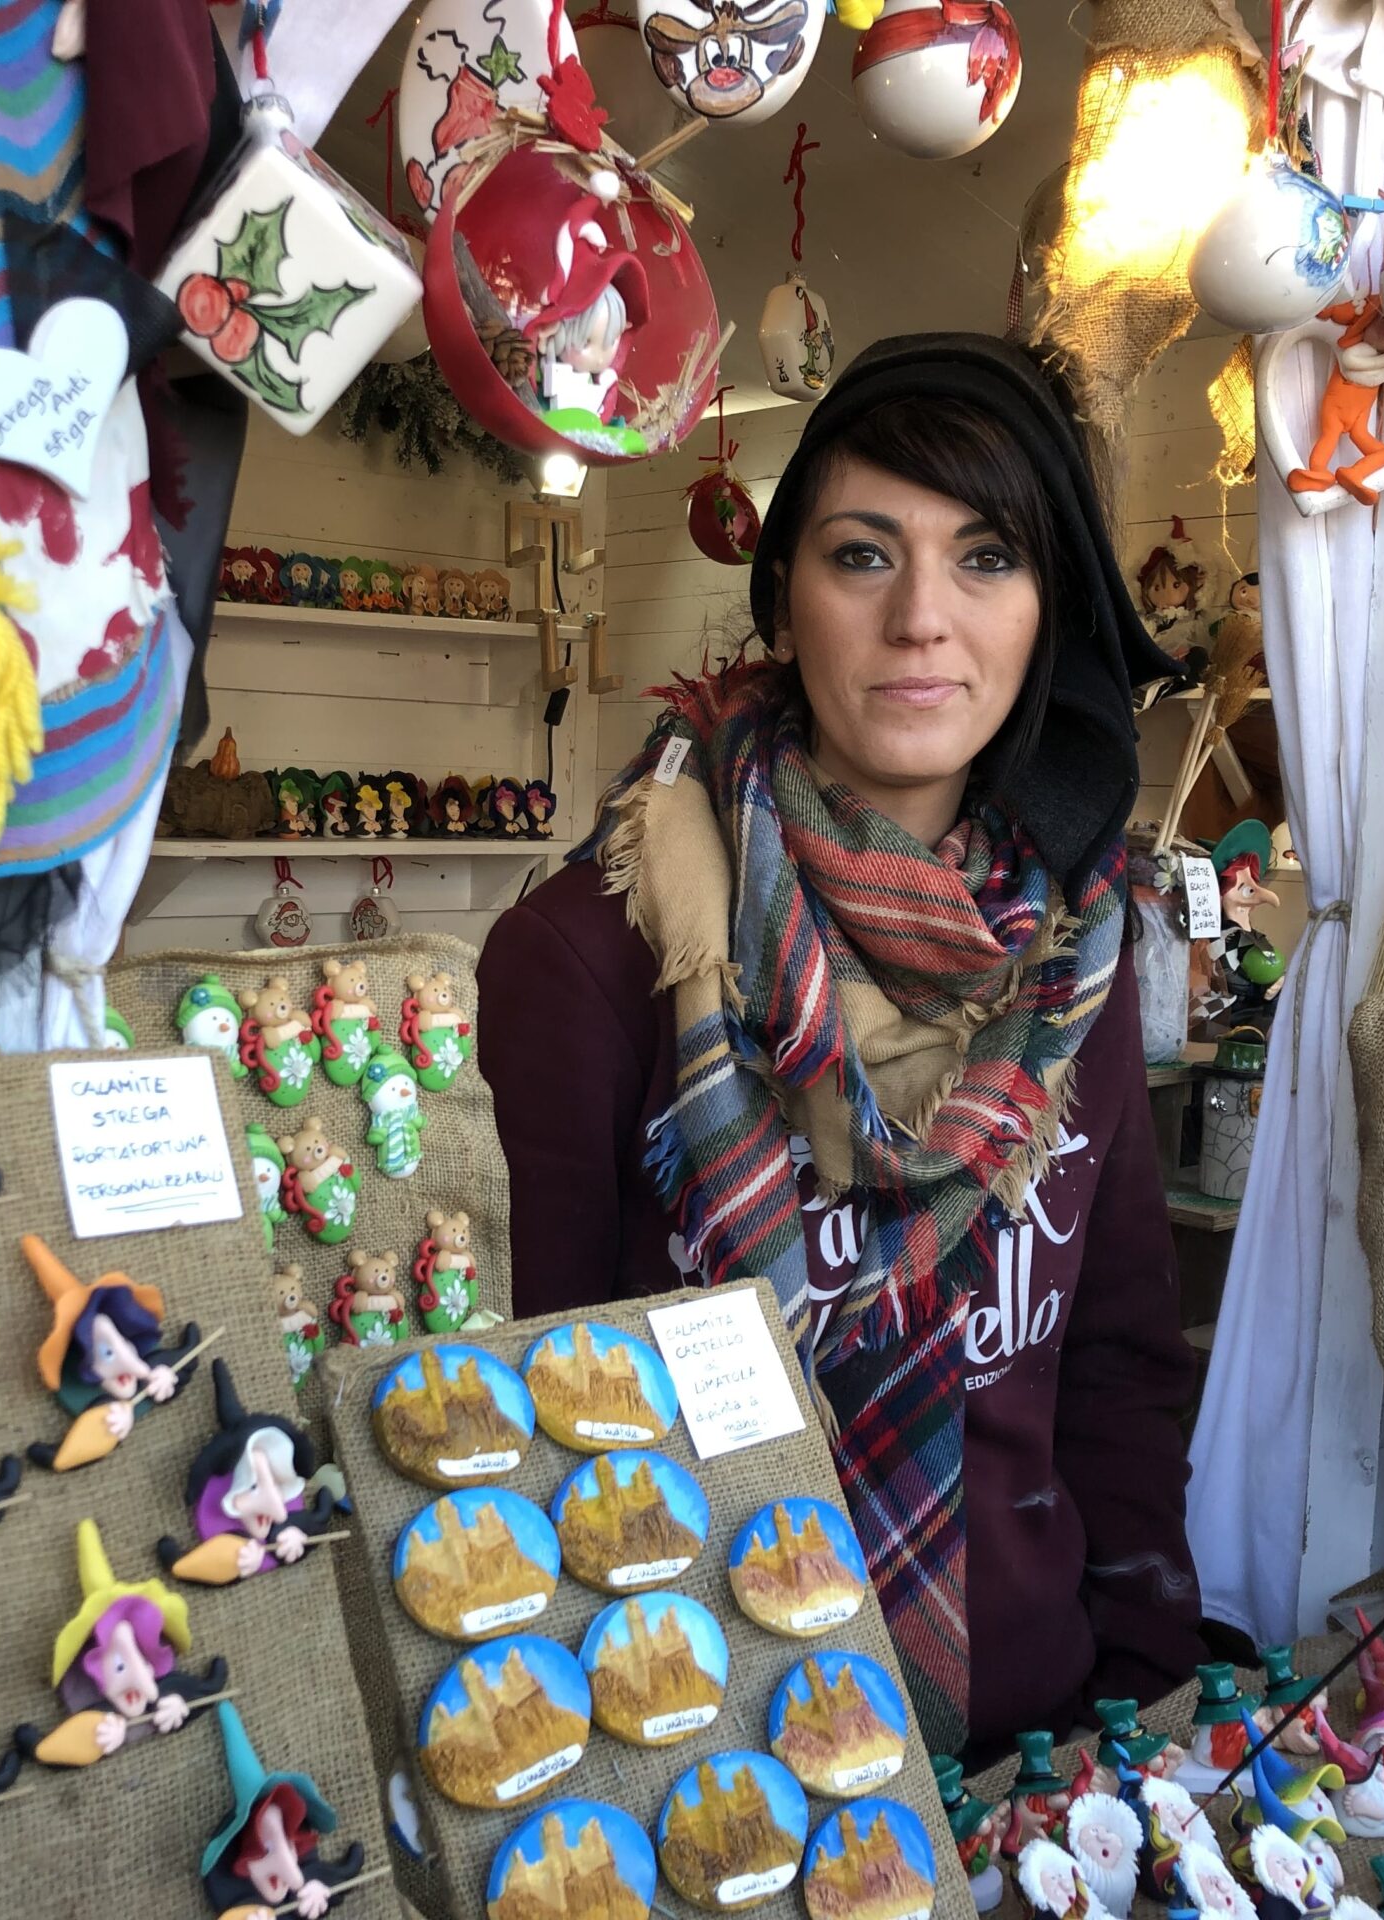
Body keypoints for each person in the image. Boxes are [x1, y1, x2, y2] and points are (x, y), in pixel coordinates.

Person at [478, 334, 1202, 1759]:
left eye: (988, 557)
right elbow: (530, 1428)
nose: (922, 618)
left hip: (1037, 1743)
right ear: (783, 599)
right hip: (703, 1763)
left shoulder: (1078, 951)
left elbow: (1116, 1367)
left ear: (1048, 610)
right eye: (863, 555)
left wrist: (1145, 1697)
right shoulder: (594, 956)